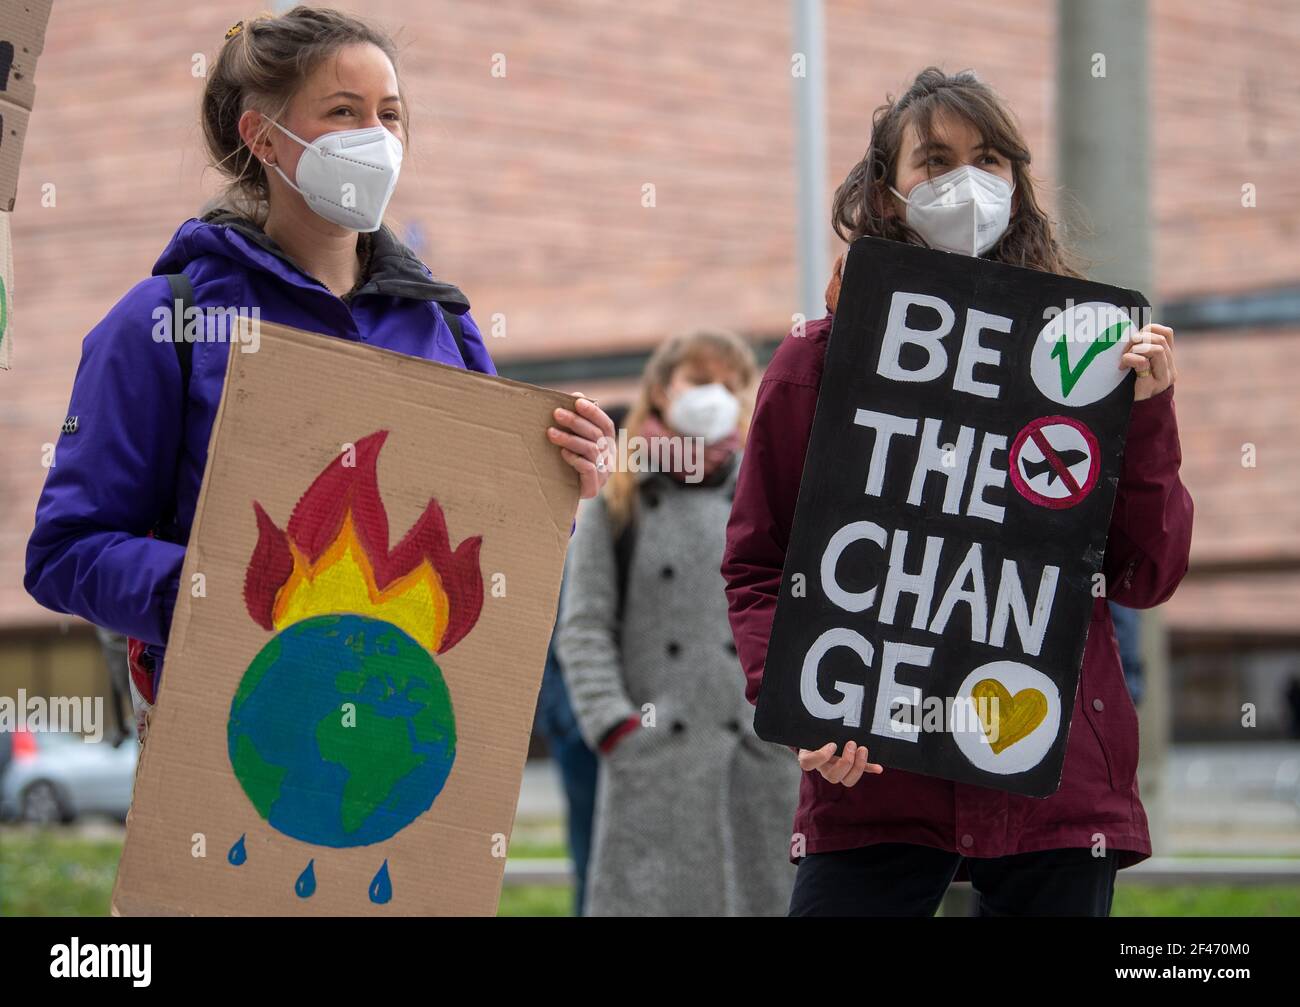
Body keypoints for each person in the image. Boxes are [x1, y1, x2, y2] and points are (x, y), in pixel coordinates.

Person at [23, 7, 615, 738]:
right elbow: (64, 554)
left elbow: (494, 555)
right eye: (344, 111)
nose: (378, 138)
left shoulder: (444, 326)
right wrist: (220, 591)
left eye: (390, 115)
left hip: (404, 730)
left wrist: (566, 491)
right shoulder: (160, 322)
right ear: (263, 135)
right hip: (230, 728)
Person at [721, 67, 1193, 917]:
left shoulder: (1082, 370)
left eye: (988, 161)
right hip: (872, 774)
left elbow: (1145, 575)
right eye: (934, 162)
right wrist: (800, 704)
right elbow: (759, 564)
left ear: (1017, 183)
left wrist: (1149, 417)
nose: (965, 185)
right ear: (891, 194)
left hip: (1055, 793)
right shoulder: (818, 366)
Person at [558, 330, 800, 916]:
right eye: (698, 380)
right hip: (655, 757)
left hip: (756, 758)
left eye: (729, 383)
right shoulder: (620, 494)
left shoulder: (771, 492)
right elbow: (583, 625)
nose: (713, 395)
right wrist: (616, 728)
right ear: (663, 392)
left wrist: (791, 727)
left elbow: (801, 614)